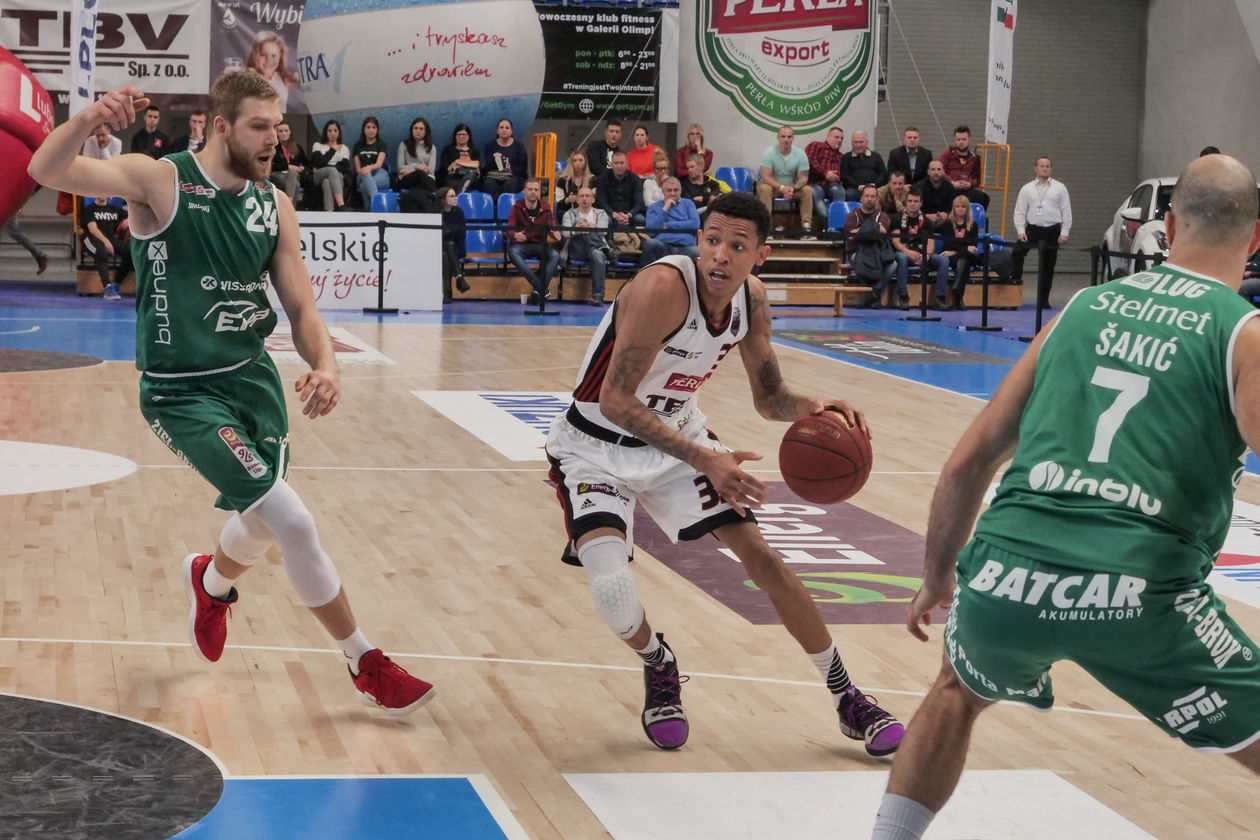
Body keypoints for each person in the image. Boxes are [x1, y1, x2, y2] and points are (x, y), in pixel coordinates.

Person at [869, 153, 1260, 840]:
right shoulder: (1242, 334)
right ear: (1255, 239)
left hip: (1005, 574)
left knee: (956, 692)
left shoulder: (1080, 307)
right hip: (1140, 591)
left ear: (1168, 227)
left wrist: (936, 577)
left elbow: (966, 463)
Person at [27, 72, 435, 715]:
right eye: (259, 127)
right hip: (181, 393)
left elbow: (301, 307)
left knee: (261, 520)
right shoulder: (161, 180)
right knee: (291, 520)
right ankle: (365, 662)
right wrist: (87, 119)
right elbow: (45, 169)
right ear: (221, 126)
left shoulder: (274, 205)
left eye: (278, 127)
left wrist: (328, 365)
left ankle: (211, 584)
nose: (275, 140)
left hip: (252, 382)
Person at [544, 191, 903, 754]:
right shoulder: (662, 288)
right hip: (593, 447)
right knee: (613, 591)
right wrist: (706, 458)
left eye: (737, 246)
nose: (720, 255)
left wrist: (813, 406)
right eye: (712, 240)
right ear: (699, 240)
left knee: (765, 559)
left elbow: (769, 397)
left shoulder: (751, 301)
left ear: (760, 255)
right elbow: (614, 400)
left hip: (677, 440)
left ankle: (847, 698)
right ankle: (658, 661)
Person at [1012, 156, 1073, 309]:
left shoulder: (1060, 188)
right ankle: (1013, 295)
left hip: (1052, 230)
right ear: (1036, 168)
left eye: (1047, 166)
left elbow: (1066, 211)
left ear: (1050, 168)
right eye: (1042, 166)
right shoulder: (1027, 188)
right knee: (1017, 254)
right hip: (1033, 229)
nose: (1044, 168)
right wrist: (1020, 230)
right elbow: (1019, 211)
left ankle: (1043, 300)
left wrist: (1065, 232)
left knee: (1048, 266)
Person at [889, 187, 949, 309]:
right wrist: (908, 252)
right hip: (904, 252)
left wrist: (926, 255)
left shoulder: (926, 221)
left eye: (916, 201)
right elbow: (895, 241)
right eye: (910, 201)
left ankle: (940, 298)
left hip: (922, 254)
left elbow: (931, 244)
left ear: (921, 203)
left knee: (944, 260)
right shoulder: (897, 218)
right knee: (901, 257)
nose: (912, 204)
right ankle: (903, 297)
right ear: (906, 202)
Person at [507, 177, 562, 304]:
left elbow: (552, 227)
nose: (533, 192)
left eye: (536, 189)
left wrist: (556, 234)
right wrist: (515, 235)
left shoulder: (546, 207)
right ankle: (541, 288)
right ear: (524, 191)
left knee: (555, 255)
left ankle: (539, 290)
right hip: (522, 245)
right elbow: (509, 228)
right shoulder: (517, 207)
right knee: (513, 252)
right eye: (530, 189)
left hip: (540, 245)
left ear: (539, 192)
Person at [844, 185, 896, 308]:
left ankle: (873, 294)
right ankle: (874, 296)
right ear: (861, 198)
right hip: (858, 251)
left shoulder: (882, 215)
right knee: (858, 261)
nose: (869, 199)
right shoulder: (853, 214)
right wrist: (874, 228)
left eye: (872, 196)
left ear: (877, 199)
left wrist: (861, 230)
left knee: (893, 264)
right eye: (867, 196)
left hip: (877, 252)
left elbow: (883, 230)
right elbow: (851, 236)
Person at [560, 185, 611, 306]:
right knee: (579, 222)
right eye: (581, 196)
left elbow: (604, 231)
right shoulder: (569, 214)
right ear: (577, 200)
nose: (584, 198)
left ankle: (598, 297)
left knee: (597, 254)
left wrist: (592, 226)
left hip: (593, 250)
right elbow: (565, 233)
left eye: (587, 196)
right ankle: (607, 250)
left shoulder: (601, 214)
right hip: (576, 249)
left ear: (593, 200)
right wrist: (576, 230)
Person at [756, 126, 813, 235]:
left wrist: (793, 188)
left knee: (807, 190)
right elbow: (765, 177)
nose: (786, 139)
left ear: (793, 138)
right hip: (772, 186)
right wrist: (782, 188)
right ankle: (766, 227)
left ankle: (806, 227)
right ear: (778, 137)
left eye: (789, 137)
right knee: (764, 188)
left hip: (791, 187)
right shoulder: (769, 152)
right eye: (783, 136)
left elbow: (803, 178)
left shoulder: (800, 154)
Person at [640, 177, 701, 265]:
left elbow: (695, 224)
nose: (673, 193)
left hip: (686, 247)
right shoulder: (654, 207)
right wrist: (664, 209)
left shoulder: (688, 204)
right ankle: (648, 272)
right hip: (663, 246)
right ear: (663, 191)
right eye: (669, 190)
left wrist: (668, 225)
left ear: (680, 191)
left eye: (676, 190)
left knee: (696, 251)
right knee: (650, 243)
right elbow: (651, 231)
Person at [82, 196, 132, 300]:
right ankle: (107, 288)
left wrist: (128, 223)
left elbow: (130, 219)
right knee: (101, 251)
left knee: (130, 252)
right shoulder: (89, 209)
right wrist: (106, 243)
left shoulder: (115, 209)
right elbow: (93, 229)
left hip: (110, 239)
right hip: (90, 240)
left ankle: (116, 284)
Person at [937, 194, 980, 310]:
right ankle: (958, 296)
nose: (960, 209)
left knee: (965, 257)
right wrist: (965, 247)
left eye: (963, 207)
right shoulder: (948, 224)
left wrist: (955, 250)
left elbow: (973, 245)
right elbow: (948, 243)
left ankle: (957, 288)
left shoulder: (973, 225)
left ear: (967, 209)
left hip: (969, 256)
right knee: (964, 260)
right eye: (957, 206)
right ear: (953, 208)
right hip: (957, 258)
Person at [245, 30, 301, 114]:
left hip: (280, 121)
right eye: (263, 55)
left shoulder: (283, 79)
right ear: (255, 56)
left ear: (280, 57)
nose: (269, 60)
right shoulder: (248, 79)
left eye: (273, 55)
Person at [939, 125, 989, 209]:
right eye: (958, 139)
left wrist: (970, 184)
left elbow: (977, 177)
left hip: (966, 189)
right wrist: (952, 182)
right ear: (955, 140)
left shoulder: (974, 157)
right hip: (950, 189)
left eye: (964, 139)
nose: (961, 142)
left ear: (969, 140)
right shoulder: (947, 154)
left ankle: (975, 217)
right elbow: (939, 170)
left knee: (983, 197)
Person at [805, 126, 845, 224]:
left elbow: (842, 173)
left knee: (840, 192)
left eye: (841, 138)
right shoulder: (816, 146)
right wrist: (825, 173)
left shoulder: (841, 156)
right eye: (836, 137)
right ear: (828, 137)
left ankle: (836, 225)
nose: (839, 140)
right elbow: (809, 161)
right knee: (817, 194)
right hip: (815, 182)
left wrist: (837, 176)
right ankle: (828, 223)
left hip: (833, 184)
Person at [396, 117, 438, 213]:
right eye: (415, 128)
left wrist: (409, 168)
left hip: (425, 179)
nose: (418, 131)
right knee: (420, 174)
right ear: (411, 130)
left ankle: (422, 209)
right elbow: (400, 167)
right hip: (408, 178)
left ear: (426, 131)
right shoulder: (404, 145)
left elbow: (431, 170)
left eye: (421, 129)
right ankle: (432, 196)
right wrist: (416, 167)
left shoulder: (431, 148)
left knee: (417, 189)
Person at [480, 118, 528, 199]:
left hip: (513, 176)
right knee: (489, 184)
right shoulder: (490, 145)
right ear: (497, 131)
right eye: (501, 127)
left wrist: (511, 169)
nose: (504, 130)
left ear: (511, 131)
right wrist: (495, 160)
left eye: (507, 128)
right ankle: (494, 206)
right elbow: (487, 167)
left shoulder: (519, 146)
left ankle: (504, 206)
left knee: (509, 185)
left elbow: (523, 169)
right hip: (494, 176)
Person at [437, 186, 470, 303]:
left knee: (448, 247)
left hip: (456, 248)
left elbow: (461, 234)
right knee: (445, 252)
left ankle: (447, 292)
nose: (455, 198)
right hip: (438, 248)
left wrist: (448, 233)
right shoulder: (437, 212)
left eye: (455, 196)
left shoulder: (459, 212)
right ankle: (459, 276)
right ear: (443, 199)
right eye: (451, 196)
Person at [596, 151, 645, 230]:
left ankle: (637, 238)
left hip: (630, 213)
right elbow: (602, 202)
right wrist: (614, 214)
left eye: (622, 163)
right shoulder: (603, 178)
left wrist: (628, 215)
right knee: (606, 220)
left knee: (641, 220)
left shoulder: (635, 179)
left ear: (627, 164)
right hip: (610, 212)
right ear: (611, 164)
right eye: (616, 163)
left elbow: (639, 202)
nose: (619, 166)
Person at [308, 119, 349, 211]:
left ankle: (329, 211)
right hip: (318, 175)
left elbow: (344, 167)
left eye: (335, 130)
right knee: (332, 170)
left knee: (327, 181)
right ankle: (341, 205)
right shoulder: (317, 145)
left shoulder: (344, 148)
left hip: (338, 177)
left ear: (339, 132)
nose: (332, 133)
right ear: (325, 132)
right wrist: (332, 150)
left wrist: (325, 164)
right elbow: (317, 163)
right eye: (329, 131)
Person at [351, 116, 389, 207]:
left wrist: (369, 168)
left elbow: (378, 164)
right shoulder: (357, 145)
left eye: (374, 127)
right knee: (365, 175)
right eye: (368, 127)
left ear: (377, 130)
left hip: (379, 173)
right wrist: (364, 170)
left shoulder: (381, 144)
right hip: (362, 174)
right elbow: (357, 168)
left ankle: (369, 209)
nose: (371, 130)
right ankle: (378, 207)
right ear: (364, 129)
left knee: (364, 186)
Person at [269, 120, 309, 204]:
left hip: (294, 176)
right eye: (280, 131)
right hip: (277, 175)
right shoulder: (273, 147)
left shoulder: (297, 147)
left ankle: (288, 204)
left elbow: (307, 163)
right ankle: (290, 205)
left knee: (293, 175)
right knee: (296, 184)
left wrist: (302, 168)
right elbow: (270, 165)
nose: (283, 133)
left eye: (286, 131)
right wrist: (288, 167)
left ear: (290, 132)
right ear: (276, 133)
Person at [841, 131, 888, 200]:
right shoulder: (846, 157)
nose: (858, 145)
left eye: (861, 142)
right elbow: (845, 176)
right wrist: (857, 186)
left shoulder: (876, 156)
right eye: (855, 142)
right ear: (852, 143)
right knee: (849, 193)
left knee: (882, 193)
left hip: (875, 188)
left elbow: (883, 174)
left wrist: (874, 185)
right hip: (855, 189)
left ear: (867, 143)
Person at [440, 123, 481, 194]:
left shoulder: (475, 151)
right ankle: (461, 193)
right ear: (455, 136)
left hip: (471, 179)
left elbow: (478, 167)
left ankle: (459, 194)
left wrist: (458, 163)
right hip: (453, 178)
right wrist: (469, 164)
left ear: (469, 136)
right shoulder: (448, 150)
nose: (461, 136)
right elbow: (446, 167)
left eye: (464, 134)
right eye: (459, 134)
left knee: (472, 173)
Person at [680, 153, 722, 219]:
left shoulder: (712, 183)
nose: (689, 170)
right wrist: (709, 199)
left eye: (692, 167)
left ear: (701, 167)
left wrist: (702, 198)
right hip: (695, 216)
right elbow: (691, 204)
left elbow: (718, 200)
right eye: (688, 168)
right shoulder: (684, 185)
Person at [914, 160, 954, 226]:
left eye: (939, 169)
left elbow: (954, 209)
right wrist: (925, 216)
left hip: (944, 222)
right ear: (928, 172)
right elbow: (913, 208)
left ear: (943, 172)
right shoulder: (918, 187)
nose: (936, 172)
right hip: (923, 222)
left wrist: (947, 215)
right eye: (933, 169)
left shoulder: (950, 187)